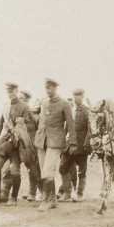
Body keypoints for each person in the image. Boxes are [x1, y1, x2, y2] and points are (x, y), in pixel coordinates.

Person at [0, 82, 37, 206]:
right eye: (8, 92)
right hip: (4, 143)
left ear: (16, 91)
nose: (10, 94)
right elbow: (0, 125)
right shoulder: (5, 107)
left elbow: (30, 126)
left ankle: (14, 198)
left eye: (12, 91)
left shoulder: (25, 107)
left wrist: (20, 126)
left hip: (18, 145)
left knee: (15, 171)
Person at [33, 78, 76, 211]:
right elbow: (38, 117)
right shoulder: (43, 102)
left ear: (55, 88)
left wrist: (73, 143)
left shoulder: (64, 104)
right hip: (41, 141)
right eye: (46, 88)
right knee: (44, 171)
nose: (48, 90)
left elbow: (71, 125)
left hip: (56, 141)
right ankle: (53, 200)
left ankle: (46, 201)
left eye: (50, 88)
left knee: (47, 171)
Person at [58, 88, 91, 202]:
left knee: (82, 171)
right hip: (68, 145)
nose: (75, 98)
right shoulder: (70, 110)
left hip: (81, 146)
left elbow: (90, 130)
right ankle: (67, 192)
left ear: (82, 97)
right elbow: (66, 129)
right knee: (63, 168)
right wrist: (63, 144)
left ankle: (79, 194)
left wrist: (86, 145)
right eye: (74, 96)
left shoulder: (87, 111)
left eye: (78, 96)